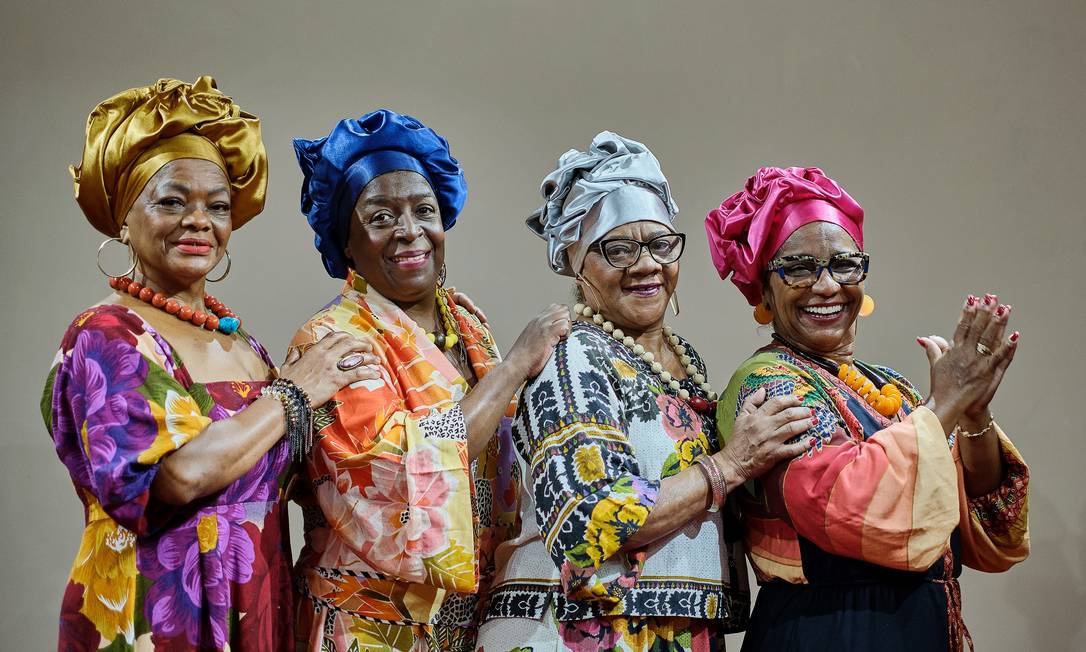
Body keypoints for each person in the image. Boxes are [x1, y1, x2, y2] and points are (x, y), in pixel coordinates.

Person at [43, 76, 380, 650]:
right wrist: (295, 393)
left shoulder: (242, 341)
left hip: (257, 595)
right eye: (171, 200)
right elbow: (178, 477)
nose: (198, 220)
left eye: (216, 206)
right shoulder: (108, 333)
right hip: (162, 607)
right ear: (124, 218)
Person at [475, 132, 815, 651]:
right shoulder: (571, 355)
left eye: (660, 244)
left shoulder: (685, 360)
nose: (646, 264)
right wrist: (731, 464)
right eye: (617, 249)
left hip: (672, 631)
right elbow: (593, 517)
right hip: (573, 634)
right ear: (574, 261)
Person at [705, 166, 1030, 651]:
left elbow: (962, 514)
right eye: (798, 267)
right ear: (764, 291)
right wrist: (943, 405)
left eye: (844, 263)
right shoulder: (767, 384)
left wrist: (973, 416)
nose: (826, 285)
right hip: (825, 630)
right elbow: (843, 500)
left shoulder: (890, 387)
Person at [288, 109, 569, 651]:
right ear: (345, 241)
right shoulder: (333, 341)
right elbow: (398, 468)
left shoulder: (466, 322)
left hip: (467, 623)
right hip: (369, 629)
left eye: (424, 210)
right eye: (380, 216)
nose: (409, 231)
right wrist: (513, 366)